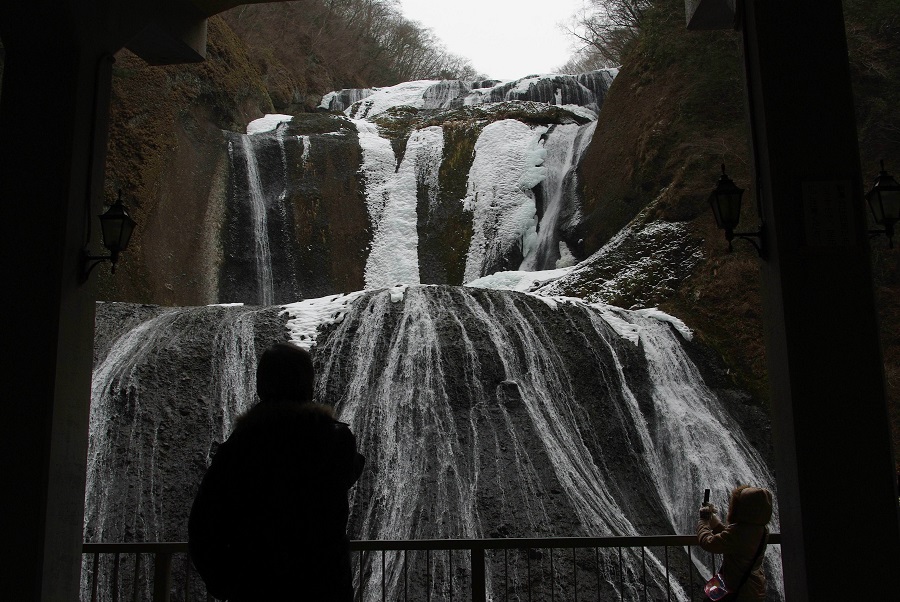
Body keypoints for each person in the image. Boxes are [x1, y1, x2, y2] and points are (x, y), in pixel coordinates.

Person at [189, 342, 365, 601]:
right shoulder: (336, 441)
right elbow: (348, 471)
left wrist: (225, 582)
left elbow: (203, 523)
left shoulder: (241, 445)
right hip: (324, 587)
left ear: (262, 385)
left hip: (257, 586)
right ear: (308, 383)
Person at [697, 485, 772, 601]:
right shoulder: (762, 529)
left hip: (738, 591)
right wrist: (716, 524)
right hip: (754, 587)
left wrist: (704, 521)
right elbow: (734, 541)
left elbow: (709, 543)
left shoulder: (740, 531)